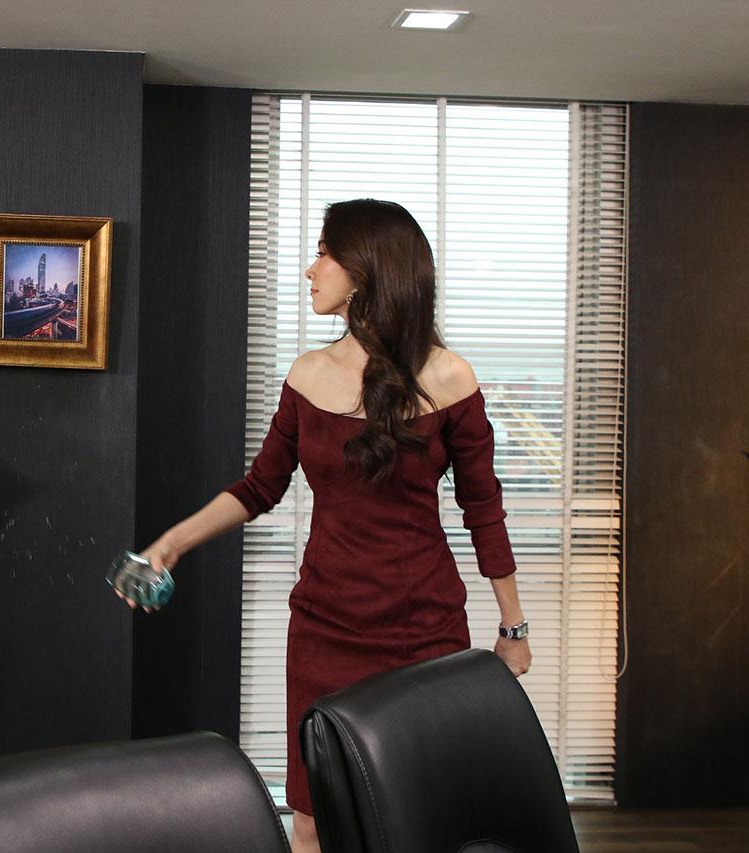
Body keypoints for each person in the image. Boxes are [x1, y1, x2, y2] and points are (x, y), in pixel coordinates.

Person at [130, 199, 531, 853]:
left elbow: (483, 507)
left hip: (422, 629)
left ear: (367, 268)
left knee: (420, 816)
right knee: (313, 817)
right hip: (323, 627)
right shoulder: (307, 375)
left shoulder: (450, 377)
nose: (310, 269)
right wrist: (172, 543)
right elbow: (259, 487)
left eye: (324, 252)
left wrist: (513, 629)